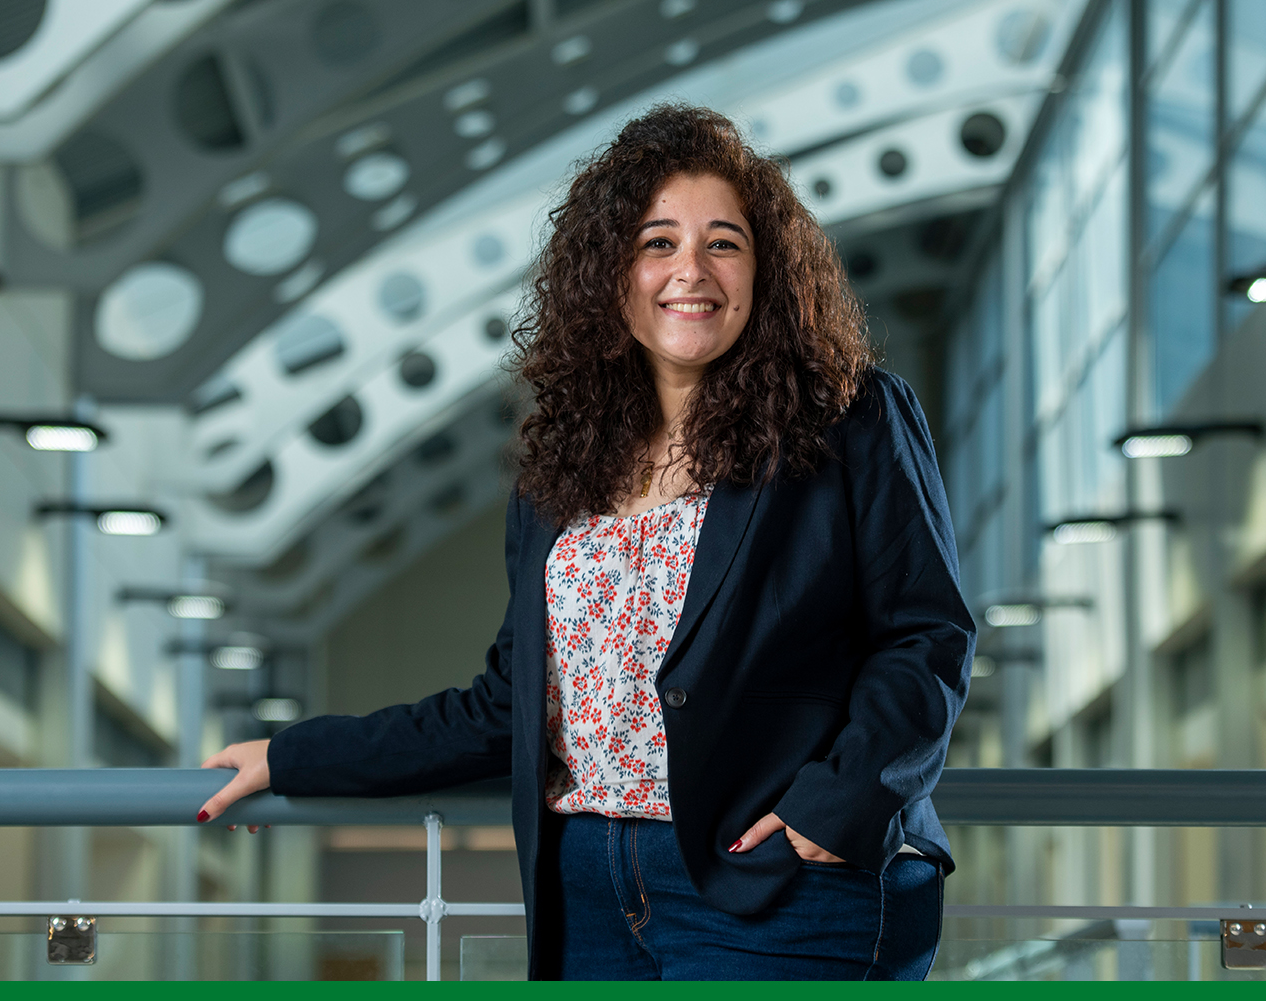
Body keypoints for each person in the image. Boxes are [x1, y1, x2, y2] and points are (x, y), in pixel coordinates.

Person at [197, 103, 976, 980]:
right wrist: (291, 756)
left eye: (725, 242)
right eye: (657, 244)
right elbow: (507, 706)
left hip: (781, 887)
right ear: (609, 275)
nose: (693, 271)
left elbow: (928, 635)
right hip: (589, 891)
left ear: (767, 273)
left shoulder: (851, 416)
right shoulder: (560, 470)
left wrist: (837, 807)